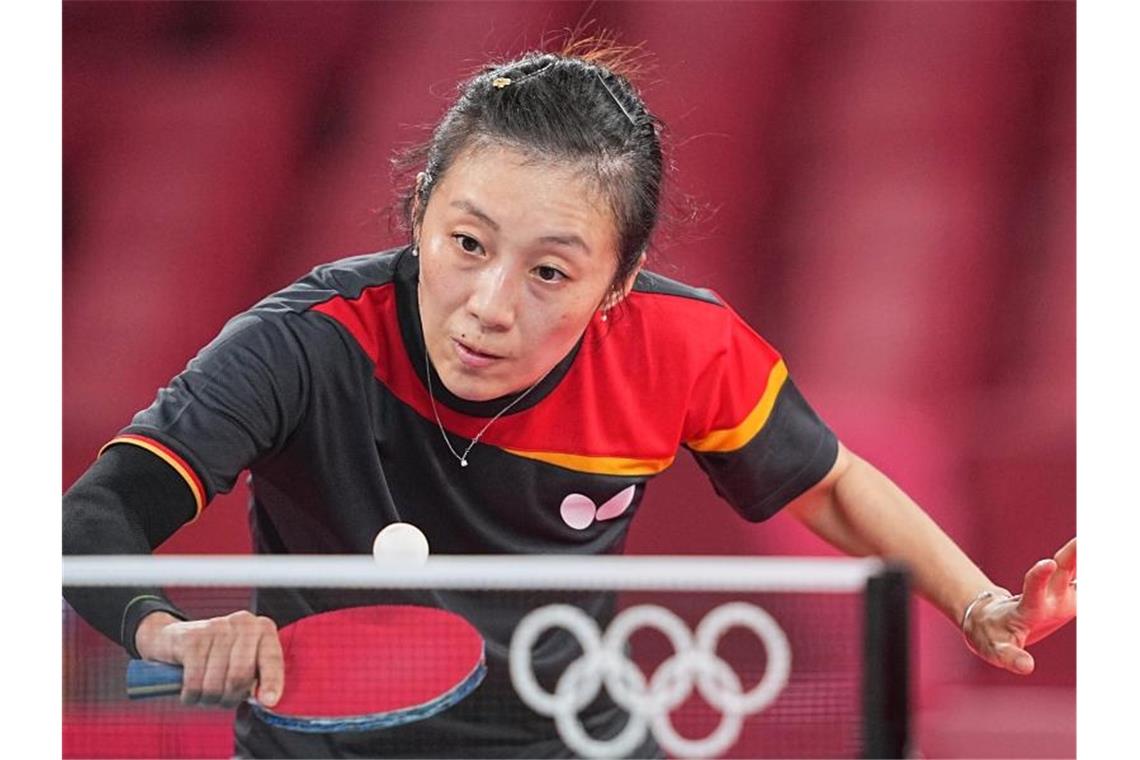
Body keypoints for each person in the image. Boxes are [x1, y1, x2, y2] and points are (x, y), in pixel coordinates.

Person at [63, 44, 1076, 758]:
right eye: (465, 244)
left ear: (621, 282)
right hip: (329, 748)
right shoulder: (304, 343)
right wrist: (169, 632)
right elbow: (95, 517)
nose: (489, 307)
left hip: (572, 733)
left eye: (550, 271)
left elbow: (831, 483)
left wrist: (977, 601)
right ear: (419, 216)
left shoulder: (679, 347)